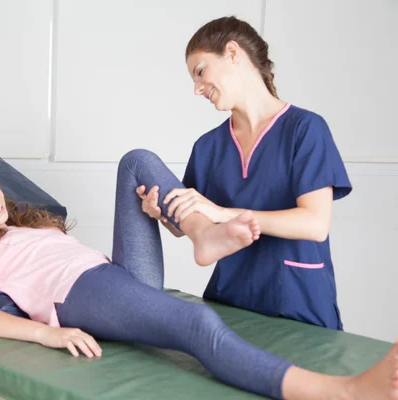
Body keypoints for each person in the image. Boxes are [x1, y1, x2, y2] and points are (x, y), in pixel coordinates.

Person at [0, 152, 397, 400]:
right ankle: (343, 392)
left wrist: (153, 211)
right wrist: (48, 333)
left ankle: (202, 233)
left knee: (138, 161)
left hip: (112, 277)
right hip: (81, 294)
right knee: (197, 324)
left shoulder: (21, 225)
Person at [137, 16, 352, 330]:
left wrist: (224, 213)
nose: (197, 89)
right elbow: (188, 226)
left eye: (200, 72)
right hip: (230, 304)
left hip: (296, 305)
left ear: (233, 53)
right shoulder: (208, 146)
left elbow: (315, 224)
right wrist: (160, 213)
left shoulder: (305, 129)